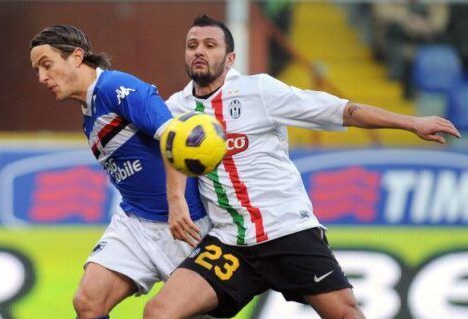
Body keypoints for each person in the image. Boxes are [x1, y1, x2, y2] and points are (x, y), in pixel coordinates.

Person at [144, 15, 461, 319]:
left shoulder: (260, 91)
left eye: (210, 45)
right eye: (192, 45)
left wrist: (411, 123)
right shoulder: (175, 109)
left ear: (230, 58)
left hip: (286, 232)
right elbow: (169, 150)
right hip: (231, 242)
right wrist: (176, 200)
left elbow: (344, 112)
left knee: (345, 313)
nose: (199, 50)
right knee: (159, 312)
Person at [29, 25, 210, 319]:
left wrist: (177, 201)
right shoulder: (89, 113)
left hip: (185, 226)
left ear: (76, 57)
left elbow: (174, 136)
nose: (42, 77)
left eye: (47, 65)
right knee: (88, 302)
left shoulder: (116, 88)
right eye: (37, 70)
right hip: (136, 224)